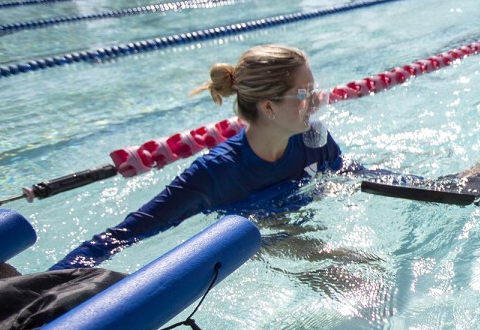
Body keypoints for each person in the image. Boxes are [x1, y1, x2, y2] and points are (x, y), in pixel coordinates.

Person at [52, 46, 344, 270]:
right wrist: (56, 279)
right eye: (305, 93)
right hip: (259, 247)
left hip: (299, 231)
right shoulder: (214, 173)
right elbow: (127, 233)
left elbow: (347, 174)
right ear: (269, 107)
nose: (317, 100)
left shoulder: (313, 140)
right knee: (349, 270)